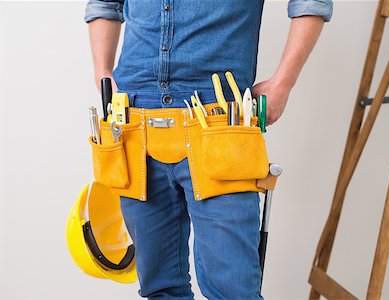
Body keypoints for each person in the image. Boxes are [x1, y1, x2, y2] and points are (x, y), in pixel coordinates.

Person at [85, 1, 332, 299]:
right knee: (159, 287)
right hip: (133, 123)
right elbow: (105, 4)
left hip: (220, 124)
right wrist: (103, 74)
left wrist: (283, 83)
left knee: (232, 290)